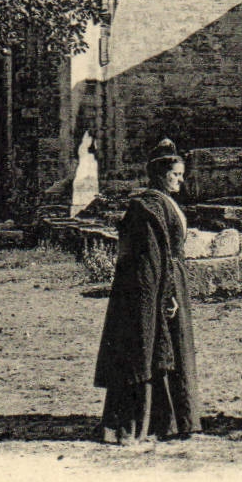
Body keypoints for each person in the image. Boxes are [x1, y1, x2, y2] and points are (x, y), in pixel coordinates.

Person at [93, 139, 200, 443]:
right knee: (151, 346)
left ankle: (175, 419)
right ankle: (152, 420)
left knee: (174, 347)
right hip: (155, 287)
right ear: (158, 174)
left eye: (181, 174)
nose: (180, 180)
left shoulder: (166, 203)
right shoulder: (147, 207)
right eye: (175, 175)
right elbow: (152, 259)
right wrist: (166, 296)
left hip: (172, 280)